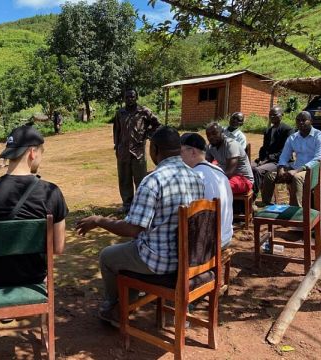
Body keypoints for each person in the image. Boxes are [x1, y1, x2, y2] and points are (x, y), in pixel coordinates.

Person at [76, 126, 204, 325]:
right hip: (188, 261)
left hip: (159, 262)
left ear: (153, 150)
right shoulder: (196, 178)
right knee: (131, 250)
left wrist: (98, 221)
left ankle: (115, 308)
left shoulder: (153, 181)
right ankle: (126, 304)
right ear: (179, 149)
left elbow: (132, 229)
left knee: (108, 257)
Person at [0, 125, 68, 287]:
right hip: (35, 278)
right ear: (33, 153)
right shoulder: (52, 192)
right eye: (41, 152)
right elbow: (59, 248)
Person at [261, 111, 321, 207]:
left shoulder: (320, 136)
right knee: (269, 176)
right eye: (298, 120)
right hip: (297, 167)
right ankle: (268, 206)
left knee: (297, 177)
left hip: (315, 169)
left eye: (304, 120)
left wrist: (296, 171)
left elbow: (318, 159)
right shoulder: (293, 138)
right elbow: (284, 156)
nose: (301, 122)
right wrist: (280, 169)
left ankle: (295, 211)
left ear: (311, 121)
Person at [180, 132, 233, 249]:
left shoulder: (194, 175)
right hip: (226, 237)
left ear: (193, 152)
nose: (179, 157)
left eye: (181, 152)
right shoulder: (218, 171)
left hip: (209, 245)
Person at [113, 89, 160, 213]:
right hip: (123, 151)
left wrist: (147, 134)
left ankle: (141, 205)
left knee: (140, 179)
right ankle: (127, 205)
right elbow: (116, 130)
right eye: (127, 97)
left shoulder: (144, 112)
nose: (130, 99)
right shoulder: (120, 113)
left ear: (136, 97)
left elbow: (157, 124)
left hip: (138, 151)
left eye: (132, 96)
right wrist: (116, 146)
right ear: (124, 98)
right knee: (124, 179)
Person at [251, 106, 293, 195]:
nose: (272, 117)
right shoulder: (268, 130)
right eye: (270, 115)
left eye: (275, 115)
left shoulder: (287, 130)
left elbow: (284, 151)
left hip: (280, 161)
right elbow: (264, 148)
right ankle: (246, 194)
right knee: (248, 166)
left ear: (282, 115)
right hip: (267, 160)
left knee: (258, 170)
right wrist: (261, 159)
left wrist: (266, 160)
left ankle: (253, 198)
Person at [205, 122, 254, 194]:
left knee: (217, 188)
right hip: (226, 178)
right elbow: (206, 165)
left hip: (243, 179)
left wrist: (212, 179)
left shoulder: (231, 144)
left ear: (222, 132)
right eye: (208, 135)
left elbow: (229, 172)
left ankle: (220, 205)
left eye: (214, 133)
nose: (211, 137)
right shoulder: (211, 147)